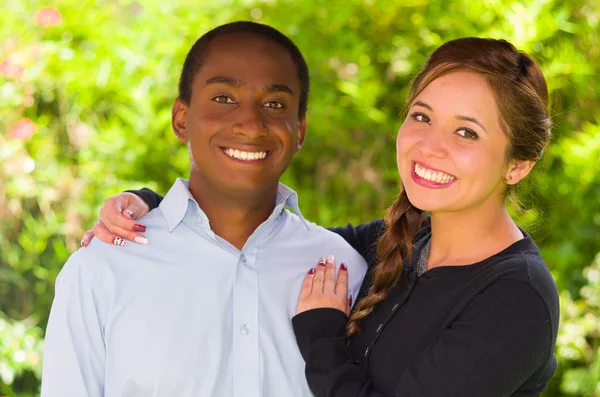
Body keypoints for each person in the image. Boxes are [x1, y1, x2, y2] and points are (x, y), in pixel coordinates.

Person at [84, 38, 559, 396]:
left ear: (518, 164)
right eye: (421, 116)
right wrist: (153, 206)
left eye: (466, 132)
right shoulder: (399, 242)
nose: (430, 146)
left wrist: (320, 333)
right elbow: (268, 238)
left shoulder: (515, 298)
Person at [41, 21, 367, 397]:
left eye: (275, 104)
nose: (250, 124)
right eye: (224, 98)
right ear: (181, 118)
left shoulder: (344, 272)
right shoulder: (102, 269)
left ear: (300, 131)